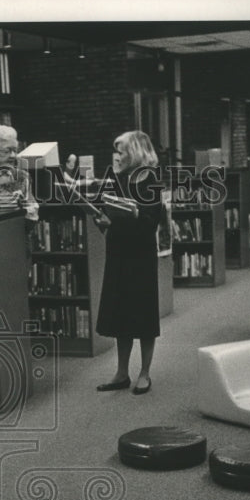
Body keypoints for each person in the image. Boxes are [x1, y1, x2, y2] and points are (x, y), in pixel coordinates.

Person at [94, 130, 165, 395]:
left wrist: (132, 214)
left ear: (135, 152)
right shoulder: (114, 178)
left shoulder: (151, 180)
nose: (117, 156)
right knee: (120, 313)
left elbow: (150, 223)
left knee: (143, 314)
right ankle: (121, 372)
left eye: (121, 151)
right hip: (118, 251)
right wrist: (100, 219)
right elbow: (104, 211)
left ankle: (144, 373)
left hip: (140, 253)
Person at [0, 124, 39, 222]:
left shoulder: (22, 176)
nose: (13, 155)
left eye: (15, 151)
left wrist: (25, 207)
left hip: (17, 228)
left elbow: (33, 211)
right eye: (6, 151)